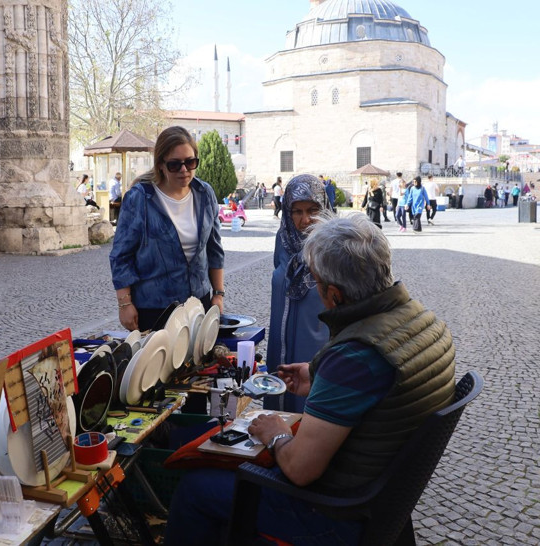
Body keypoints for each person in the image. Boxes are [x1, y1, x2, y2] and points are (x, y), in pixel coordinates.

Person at [163, 214, 456, 546]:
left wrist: (277, 434)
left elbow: (300, 469)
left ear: (334, 295)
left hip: (334, 516)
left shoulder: (354, 357)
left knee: (195, 489)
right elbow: (378, 391)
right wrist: (320, 378)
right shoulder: (425, 321)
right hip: (382, 501)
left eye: (316, 282)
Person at [109, 126, 224, 332]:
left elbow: (214, 249)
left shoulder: (204, 193)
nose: (184, 170)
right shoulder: (140, 198)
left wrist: (218, 294)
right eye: (174, 164)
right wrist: (124, 304)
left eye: (190, 162)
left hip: (199, 304)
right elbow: (121, 256)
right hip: (154, 308)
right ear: (161, 165)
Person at [266, 174, 331, 413]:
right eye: (297, 211)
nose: (305, 220)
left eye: (313, 210)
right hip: (281, 337)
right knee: (281, 390)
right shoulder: (283, 239)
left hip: (316, 339)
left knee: (311, 394)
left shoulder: (334, 245)